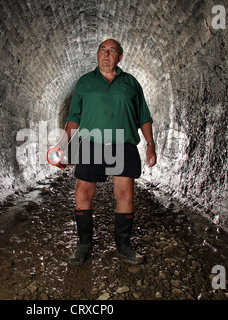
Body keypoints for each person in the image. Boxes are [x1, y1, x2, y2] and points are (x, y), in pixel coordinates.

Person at [55, 39, 156, 266]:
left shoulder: (131, 83)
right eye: (103, 50)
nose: (106, 54)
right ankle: (84, 244)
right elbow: (74, 119)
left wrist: (150, 143)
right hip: (92, 143)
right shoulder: (84, 83)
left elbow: (143, 117)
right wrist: (62, 145)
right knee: (82, 193)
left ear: (120, 57)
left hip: (123, 143)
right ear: (97, 54)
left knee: (125, 195)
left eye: (112, 51)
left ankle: (123, 245)